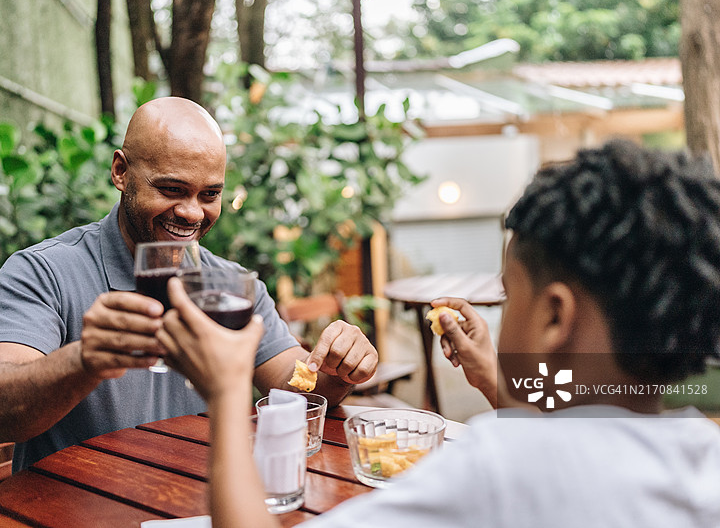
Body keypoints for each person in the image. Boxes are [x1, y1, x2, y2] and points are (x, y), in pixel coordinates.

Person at [157, 140, 720, 527]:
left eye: (507, 293)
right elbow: (589, 429)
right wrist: (493, 378)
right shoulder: (703, 453)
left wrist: (229, 392)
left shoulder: (498, 469)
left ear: (553, 317)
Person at [0, 97, 378, 472]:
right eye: (171, 189)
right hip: (74, 513)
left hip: (190, 505)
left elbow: (295, 387)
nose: (192, 212)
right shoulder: (43, 272)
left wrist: (339, 368)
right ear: (121, 171)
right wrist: (84, 361)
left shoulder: (228, 283)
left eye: (209, 194)